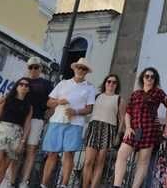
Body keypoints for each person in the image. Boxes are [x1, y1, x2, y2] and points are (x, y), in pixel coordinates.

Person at [40, 58, 97, 188]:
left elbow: (89, 109)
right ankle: (43, 184)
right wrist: (58, 102)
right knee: (52, 154)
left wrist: (75, 111)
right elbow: (49, 102)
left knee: (69, 154)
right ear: (74, 68)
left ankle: (64, 185)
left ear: (86, 72)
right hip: (57, 121)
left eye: (84, 69)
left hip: (75, 124)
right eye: (79, 67)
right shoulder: (63, 83)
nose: (81, 70)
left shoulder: (90, 88)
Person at [112, 67, 167, 188]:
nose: (149, 78)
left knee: (143, 162)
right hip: (133, 129)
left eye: (152, 77)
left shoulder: (158, 93)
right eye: (147, 76)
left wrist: (165, 122)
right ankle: (117, 185)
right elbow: (128, 112)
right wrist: (127, 127)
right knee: (121, 155)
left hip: (149, 130)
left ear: (155, 79)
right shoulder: (136, 93)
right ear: (143, 78)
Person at [0, 78, 33, 188]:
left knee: (4, 168)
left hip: (16, 135)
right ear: (16, 86)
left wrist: (22, 142)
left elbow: (27, 125)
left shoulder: (29, 107)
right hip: (2, 131)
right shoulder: (6, 100)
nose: (24, 87)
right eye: (21, 84)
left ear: (28, 89)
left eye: (26, 85)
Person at [13, 57, 53, 188]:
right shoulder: (22, 82)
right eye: (31, 67)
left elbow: (53, 101)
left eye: (36, 67)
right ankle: (12, 181)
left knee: (31, 150)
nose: (33, 70)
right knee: (16, 150)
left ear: (41, 68)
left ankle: (24, 181)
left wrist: (47, 116)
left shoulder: (46, 84)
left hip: (37, 119)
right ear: (27, 68)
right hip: (20, 119)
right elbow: (12, 97)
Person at [82, 74, 125, 188]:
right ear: (105, 83)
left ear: (117, 85)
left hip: (109, 129)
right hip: (94, 127)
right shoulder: (96, 96)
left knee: (100, 162)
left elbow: (122, 119)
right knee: (88, 161)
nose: (111, 84)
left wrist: (118, 135)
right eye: (109, 81)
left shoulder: (119, 99)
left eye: (114, 82)